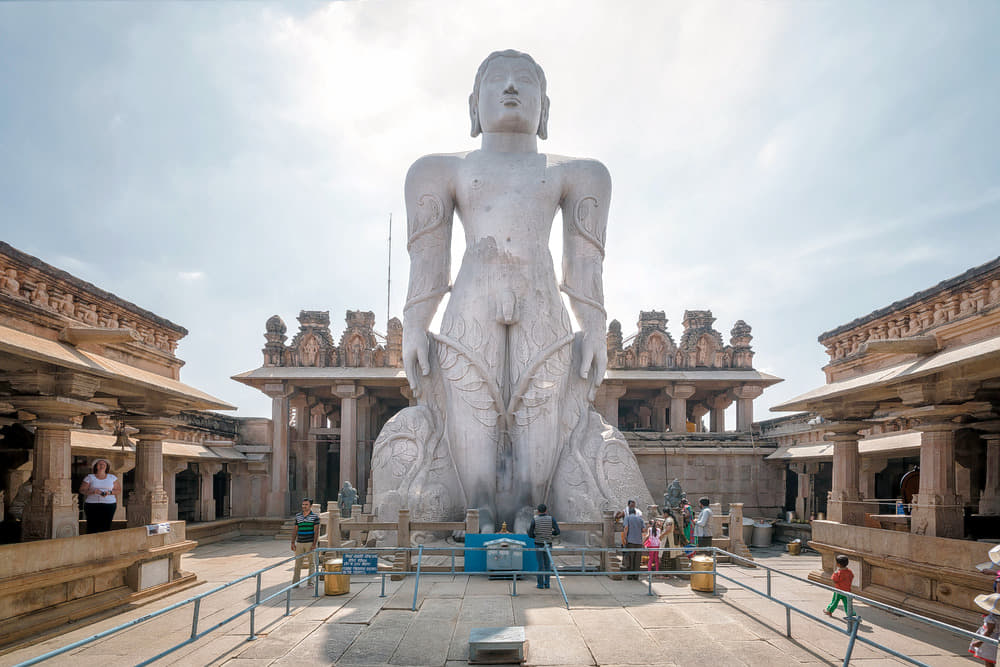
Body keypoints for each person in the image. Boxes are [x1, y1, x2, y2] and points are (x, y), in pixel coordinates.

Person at [396, 49, 635, 531]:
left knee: (544, 416)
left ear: (544, 109)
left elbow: (586, 263)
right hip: (472, 302)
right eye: (497, 80)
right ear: (473, 106)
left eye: (523, 80)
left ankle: (532, 511)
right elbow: (427, 260)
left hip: (541, 304)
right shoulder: (438, 170)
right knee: (468, 411)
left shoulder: (581, 173)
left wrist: (593, 327)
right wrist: (415, 326)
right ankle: (477, 512)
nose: (509, 87)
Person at [79, 458, 120, 533]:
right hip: (92, 505)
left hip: (109, 505)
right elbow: (82, 490)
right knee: (92, 526)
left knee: (106, 526)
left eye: (104, 464)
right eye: (100, 464)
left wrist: (109, 492)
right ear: (96, 466)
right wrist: (93, 491)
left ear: (107, 467)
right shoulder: (89, 477)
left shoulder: (112, 478)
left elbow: (118, 490)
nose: (102, 465)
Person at [527, 503, 560, 589]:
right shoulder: (551, 519)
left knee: (540, 565)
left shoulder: (535, 520)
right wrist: (550, 533)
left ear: (538, 511)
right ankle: (547, 584)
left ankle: (540, 584)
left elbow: (530, 534)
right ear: (546, 511)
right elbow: (557, 531)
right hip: (548, 544)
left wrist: (537, 535)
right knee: (547, 564)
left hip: (538, 544)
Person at [290, 498, 320, 588]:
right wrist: (292, 542)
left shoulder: (315, 517)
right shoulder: (298, 516)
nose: (304, 506)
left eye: (306, 505)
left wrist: (314, 544)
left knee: (311, 563)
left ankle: (310, 583)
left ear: (310, 506)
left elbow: (316, 532)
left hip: (310, 542)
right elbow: (295, 530)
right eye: (303, 504)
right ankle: (295, 583)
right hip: (300, 542)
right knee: (298, 563)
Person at [970, 593, 1000, 666]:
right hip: (995, 638)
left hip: (988, 641)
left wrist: (980, 642)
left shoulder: (991, 619)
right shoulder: (997, 617)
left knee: (988, 659)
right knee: (990, 659)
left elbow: (989, 631)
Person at [621, 506, 645, 580]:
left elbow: (626, 528)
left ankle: (630, 575)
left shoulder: (627, 518)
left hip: (630, 541)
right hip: (639, 542)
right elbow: (644, 530)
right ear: (635, 513)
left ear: (629, 513)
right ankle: (636, 576)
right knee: (637, 559)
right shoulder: (640, 519)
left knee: (630, 558)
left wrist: (625, 538)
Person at [659, 510, 680, 576]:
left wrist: (661, 535)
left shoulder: (669, 520)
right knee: (666, 557)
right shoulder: (669, 519)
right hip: (666, 540)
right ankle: (666, 574)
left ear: (665, 513)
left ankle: (665, 575)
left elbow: (668, 529)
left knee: (665, 558)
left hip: (667, 541)